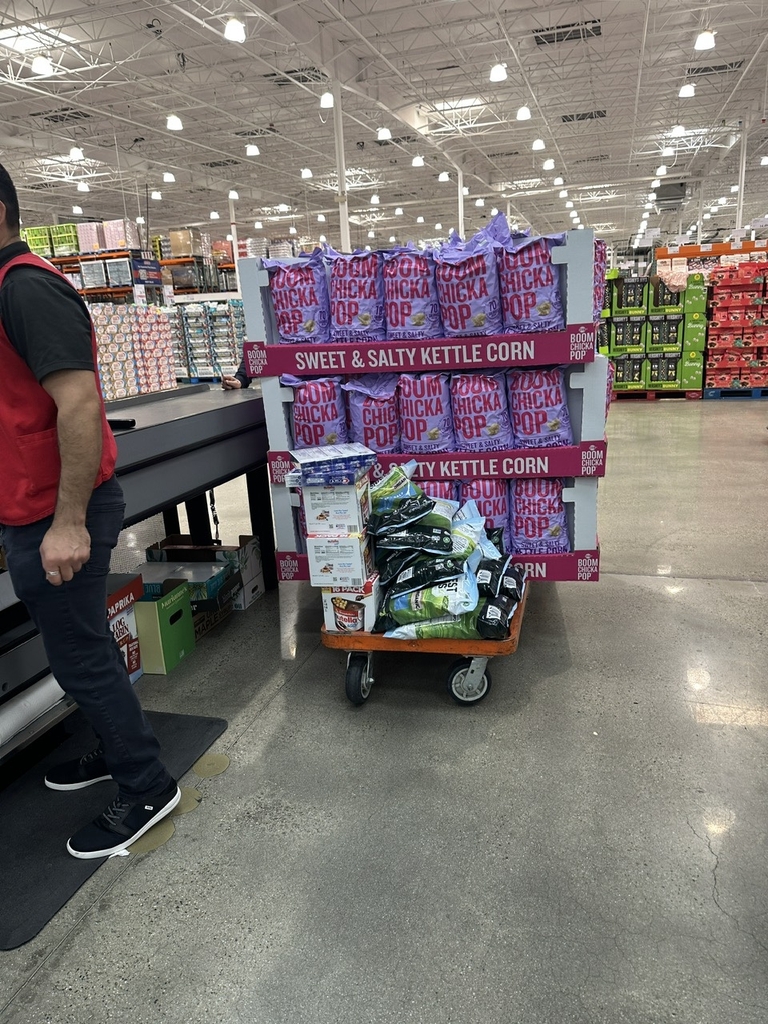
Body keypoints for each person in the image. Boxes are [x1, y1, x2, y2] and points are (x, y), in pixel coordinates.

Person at [0, 163, 179, 859]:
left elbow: (77, 404)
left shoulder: (27, 288)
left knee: (79, 658)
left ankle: (146, 785)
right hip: (32, 508)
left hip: (58, 512)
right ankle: (115, 747)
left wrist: (67, 521)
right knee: (86, 647)